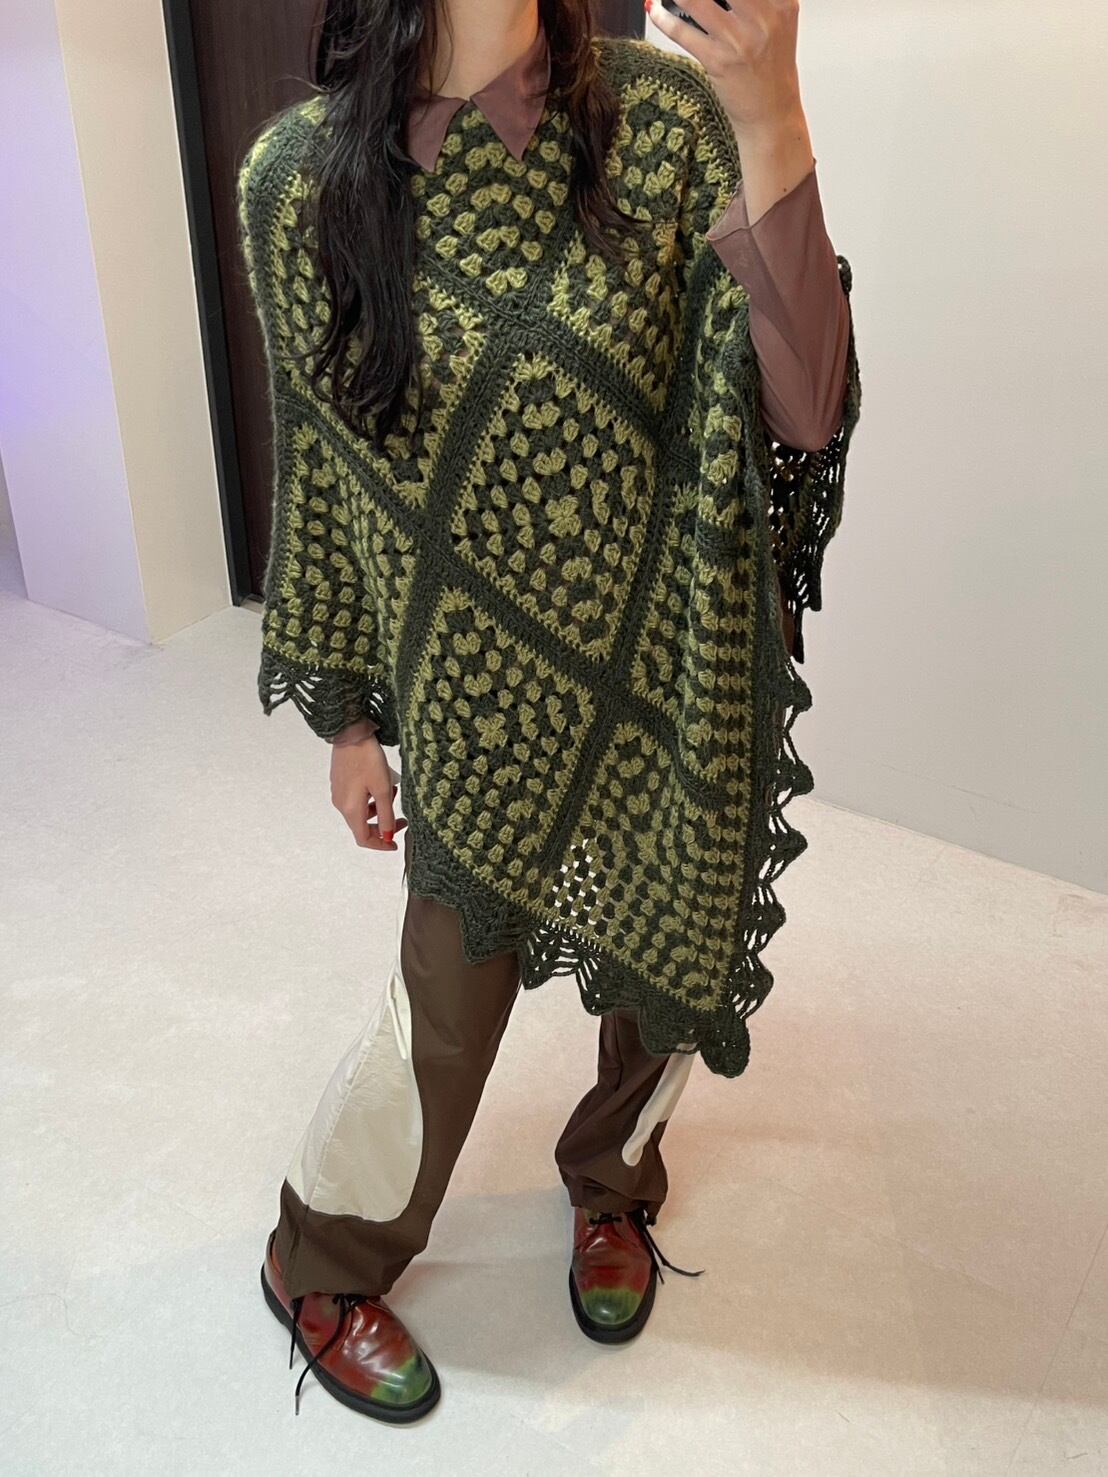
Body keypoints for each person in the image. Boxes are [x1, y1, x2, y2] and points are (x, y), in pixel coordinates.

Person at [237, 0, 861, 1423]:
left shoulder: (662, 123)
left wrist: (773, 112)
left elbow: (802, 407)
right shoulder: (302, 185)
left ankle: (613, 1184)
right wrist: (350, 720)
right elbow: (326, 476)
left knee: (668, 969)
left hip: (671, 671)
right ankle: (319, 1257)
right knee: (444, 1011)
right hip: (477, 702)